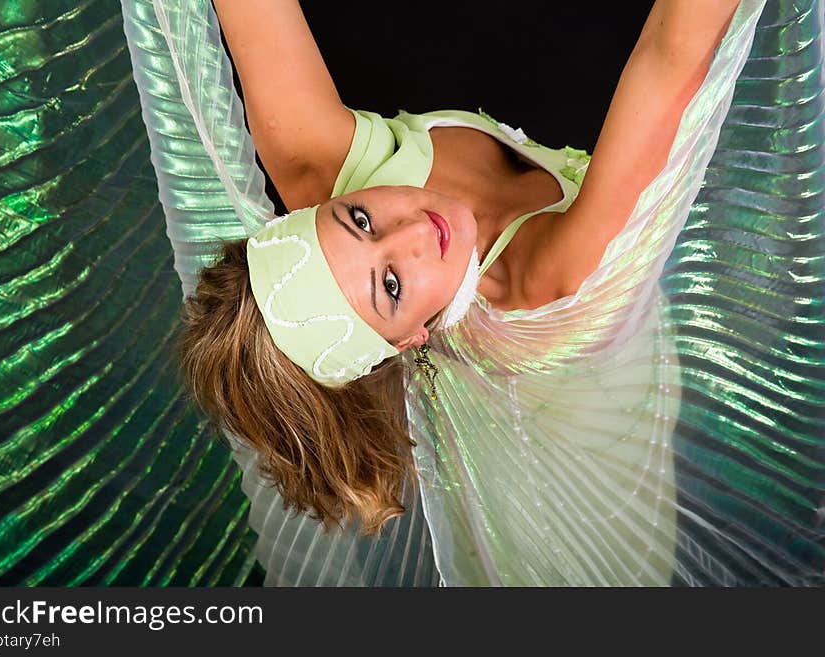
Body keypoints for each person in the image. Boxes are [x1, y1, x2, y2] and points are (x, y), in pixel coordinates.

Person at [121, 0, 825, 585]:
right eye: (391, 285)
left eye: (358, 219)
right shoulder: (548, 290)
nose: (409, 232)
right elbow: (674, 56)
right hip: (591, 506)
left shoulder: (320, 170)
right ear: (409, 341)